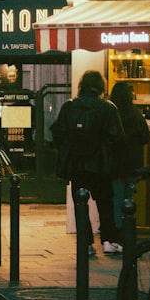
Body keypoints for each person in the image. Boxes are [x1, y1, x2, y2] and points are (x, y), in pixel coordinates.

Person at [51, 70, 125, 255]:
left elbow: (58, 132)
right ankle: (108, 241)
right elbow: (118, 138)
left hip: (76, 165)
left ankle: (86, 244)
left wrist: (71, 147)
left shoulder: (69, 107)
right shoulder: (108, 108)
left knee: (80, 205)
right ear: (101, 86)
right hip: (101, 165)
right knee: (105, 203)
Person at [109, 82, 150, 232]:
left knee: (117, 196)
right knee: (129, 196)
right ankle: (128, 227)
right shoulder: (136, 113)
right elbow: (146, 137)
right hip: (133, 161)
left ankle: (118, 227)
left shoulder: (111, 112)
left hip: (115, 161)